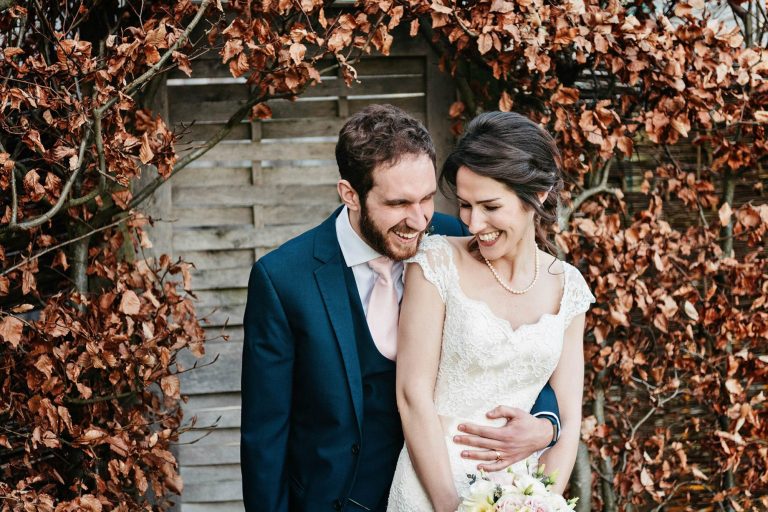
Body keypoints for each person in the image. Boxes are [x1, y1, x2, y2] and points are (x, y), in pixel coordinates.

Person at [241, 104, 561, 512]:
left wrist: (547, 424)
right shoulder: (284, 278)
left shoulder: (458, 238)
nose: (420, 219)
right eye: (398, 203)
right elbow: (264, 436)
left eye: (427, 198)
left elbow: (515, 345)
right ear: (350, 195)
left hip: (443, 492)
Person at [388, 111, 595, 511]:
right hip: (431, 488)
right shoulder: (435, 263)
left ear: (538, 194)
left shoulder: (568, 287)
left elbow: (568, 421)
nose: (473, 222)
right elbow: (412, 396)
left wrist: (542, 501)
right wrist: (450, 505)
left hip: (519, 490)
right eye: (464, 205)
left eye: (490, 206)